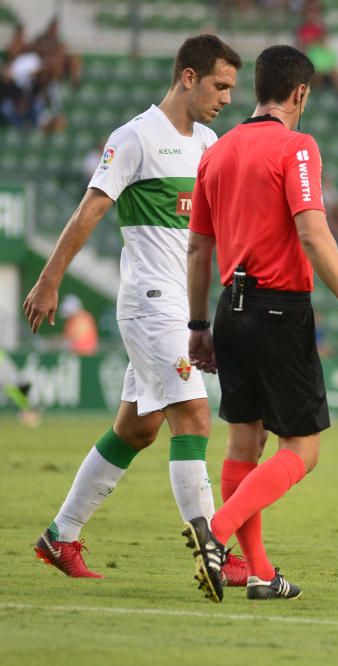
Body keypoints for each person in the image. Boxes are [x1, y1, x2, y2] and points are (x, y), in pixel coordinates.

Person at [22, 35, 249, 585]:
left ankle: (60, 536)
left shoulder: (210, 142)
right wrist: (49, 279)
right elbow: (90, 211)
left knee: (137, 428)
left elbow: (210, 233)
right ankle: (216, 545)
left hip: (182, 304)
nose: (225, 98)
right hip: (151, 303)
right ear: (188, 77)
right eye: (219, 85)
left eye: (232, 89)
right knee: (193, 416)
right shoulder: (134, 137)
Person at [185, 44, 338, 603]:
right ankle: (216, 533)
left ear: (255, 90)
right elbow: (314, 233)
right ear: (300, 94)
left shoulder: (217, 151)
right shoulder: (297, 147)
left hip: (227, 310)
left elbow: (198, 247)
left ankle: (261, 574)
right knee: (303, 449)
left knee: (244, 442)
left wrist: (199, 324)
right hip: (278, 309)